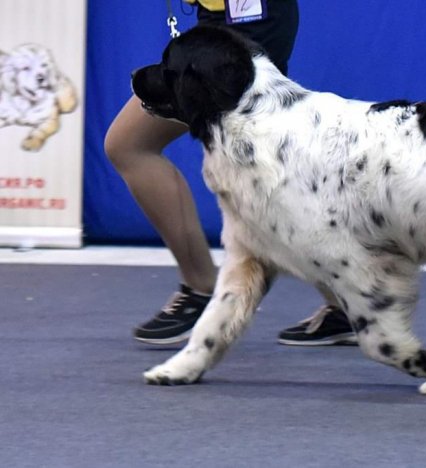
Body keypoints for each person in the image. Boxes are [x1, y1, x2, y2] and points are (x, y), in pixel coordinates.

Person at [105, 0, 356, 347]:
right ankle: (348, 304)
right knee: (264, 178)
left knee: (131, 145)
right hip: (225, 15)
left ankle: (201, 290)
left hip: (249, 14)